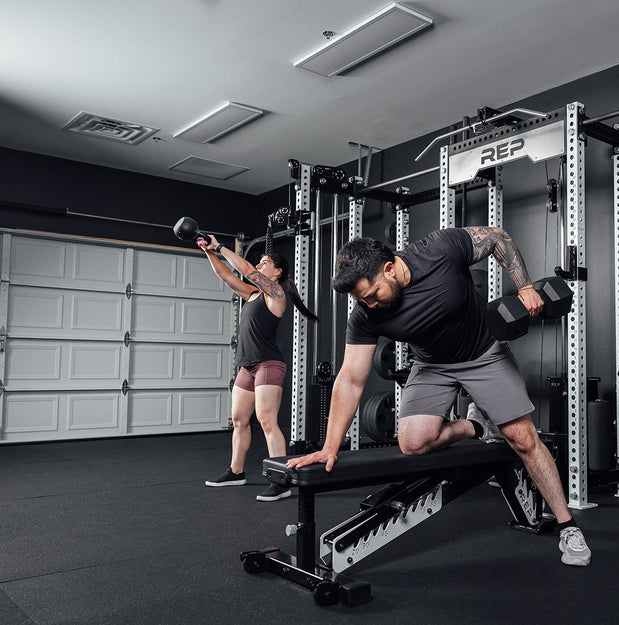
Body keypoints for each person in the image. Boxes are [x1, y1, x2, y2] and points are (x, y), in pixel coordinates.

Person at [286, 226, 591, 566]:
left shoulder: (440, 249)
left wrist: (525, 286)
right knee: (413, 442)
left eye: (371, 294)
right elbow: (351, 379)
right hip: (431, 365)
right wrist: (330, 447)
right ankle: (476, 426)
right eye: (361, 300)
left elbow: (497, 239)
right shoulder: (365, 316)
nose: (368, 304)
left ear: (389, 268)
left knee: (523, 440)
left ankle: (567, 527)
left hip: (483, 354)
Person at [197, 234, 319, 502]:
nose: (260, 266)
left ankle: (281, 480)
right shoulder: (252, 294)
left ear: (277, 273)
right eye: (260, 263)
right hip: (246, 365)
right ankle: (236, 472)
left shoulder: (276, 294)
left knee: (266, 421)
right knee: (240, 420)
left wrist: (219, 246)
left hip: (268, 363)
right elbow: (227, 277)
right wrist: (209, 252)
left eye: (265, 263)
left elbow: (248, 272)